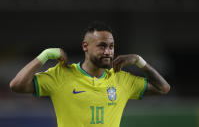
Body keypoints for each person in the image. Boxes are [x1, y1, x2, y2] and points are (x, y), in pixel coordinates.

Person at [10, 21, 170, 127]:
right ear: (85, 46)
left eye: (111, 46)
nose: (108, 51)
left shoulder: (121, 78)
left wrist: (139, 61)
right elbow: (17, 85)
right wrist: (45, 54)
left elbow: (163, 88)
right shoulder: (62, 75)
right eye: (102, 46)